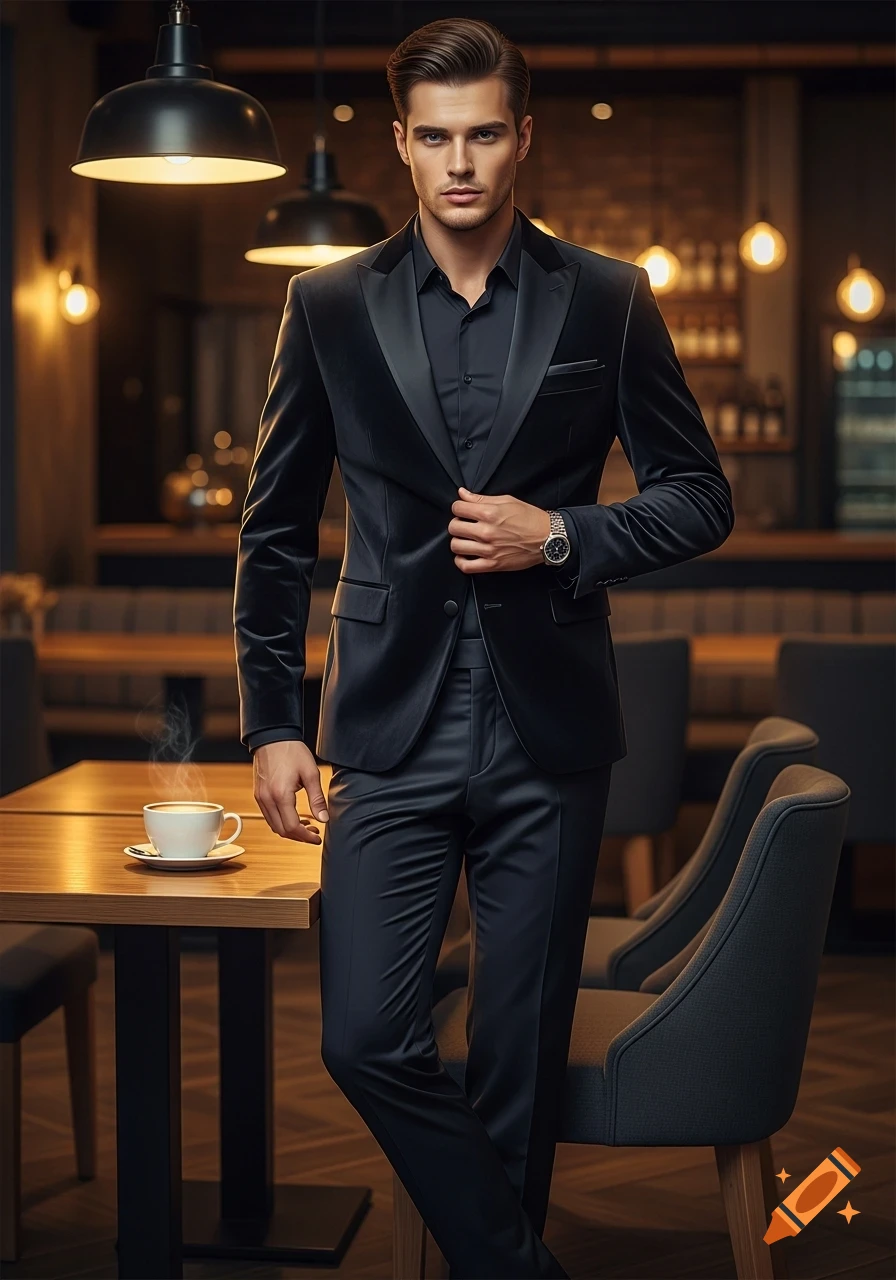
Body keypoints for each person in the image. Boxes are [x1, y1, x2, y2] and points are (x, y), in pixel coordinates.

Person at [233, 17, 735, 1279]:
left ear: (522, 141)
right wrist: (274, 719)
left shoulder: (609, 297)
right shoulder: (327, 302)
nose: (461, 163)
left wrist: (557, 534)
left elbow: (697, 493)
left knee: (515, 1057)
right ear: (399, 146)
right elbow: (274, 528)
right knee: (364, 1035)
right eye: (436, 138)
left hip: (548, 730)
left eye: (485, 135)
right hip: (385, 727)